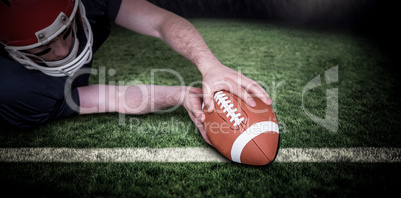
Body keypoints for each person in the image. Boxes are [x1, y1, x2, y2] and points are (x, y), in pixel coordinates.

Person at [0, 0, 272, 144]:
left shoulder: (90, 3)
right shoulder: (15, 89)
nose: (61, 51)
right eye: (43, 48)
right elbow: (110, 98)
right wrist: (177, 94)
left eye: (66, 32)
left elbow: (160, 21)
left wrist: (209, 66)